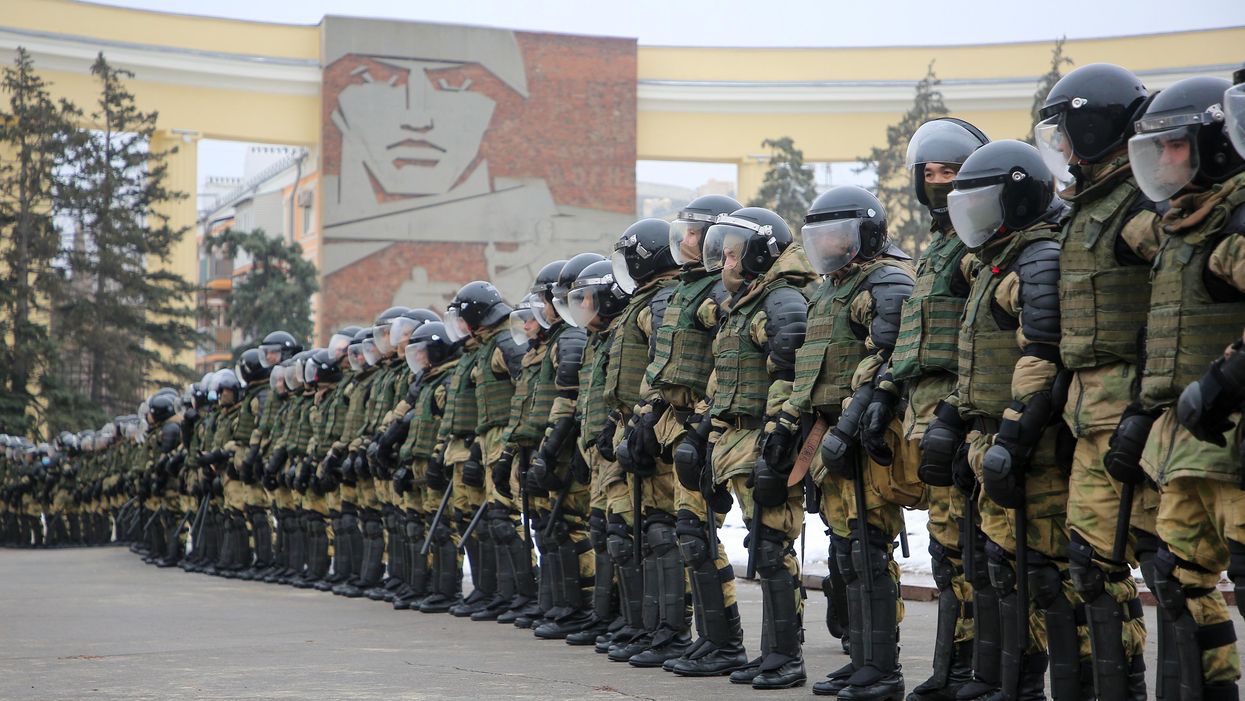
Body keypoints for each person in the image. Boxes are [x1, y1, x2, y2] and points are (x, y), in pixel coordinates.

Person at [942, 139, 1088, 699]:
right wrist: (956, 422)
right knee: (1001, 565)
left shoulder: (1040, 257)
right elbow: (976, 356)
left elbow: (1043, 352)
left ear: (1019, 198)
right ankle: (1010, 682)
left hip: (1035, 444)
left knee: (1047, 574)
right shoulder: (997, 261)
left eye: (984, 203)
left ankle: (1049, 686)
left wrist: (1015, 432)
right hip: (991, 433)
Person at [1035, 63, 1162, 700]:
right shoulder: (1084, 213)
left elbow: (1185, 296)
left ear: (1093, 126)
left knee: (1168, 566)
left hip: (1146, 418)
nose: (1058, 147)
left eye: (1065, 131)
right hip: (1088, 418)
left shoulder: (1139, 207)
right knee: (1089, 567)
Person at [1128, 75, 1245, 700]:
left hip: (1234, 435)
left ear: (1216, 142)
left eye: (1174, 146)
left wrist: (1225, 380)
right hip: (1187, 442)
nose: (1163, 160)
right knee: (1177, 578)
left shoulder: (1236, 220)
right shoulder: (1178, 228)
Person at [676, 206, 816, 689]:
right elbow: (726, 383)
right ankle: (765, 653)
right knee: (760, 545)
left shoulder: (780, 301)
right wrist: (703, 436)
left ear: (758, 253)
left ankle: (786, 657)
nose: (726, 264)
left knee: (773, 548)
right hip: (736, 438)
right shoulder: (746, 304)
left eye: (734, 254)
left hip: (764, 436)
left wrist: (779, 439)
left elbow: (791, 371)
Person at [787, 186, 918, 700]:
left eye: (840, 234)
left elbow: (889, 358)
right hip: (830, 436)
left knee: (867, 549)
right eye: (822, 236)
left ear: (866, 234)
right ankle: (860, 658)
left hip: (868, 435)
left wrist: (848, 428)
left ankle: (884, 668)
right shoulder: (827, 291)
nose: (830, 245)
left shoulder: (884, 280)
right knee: (844, 553)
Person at [889, 118, 989, 701]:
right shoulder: (939, 249)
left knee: (972, 547)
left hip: (963, 414)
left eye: (950, 173)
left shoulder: (977, 247)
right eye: (930, 175)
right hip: (926, 417)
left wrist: (956, 411)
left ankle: (977, 670)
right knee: (946, 546)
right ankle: (950, 669)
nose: (939, 184)